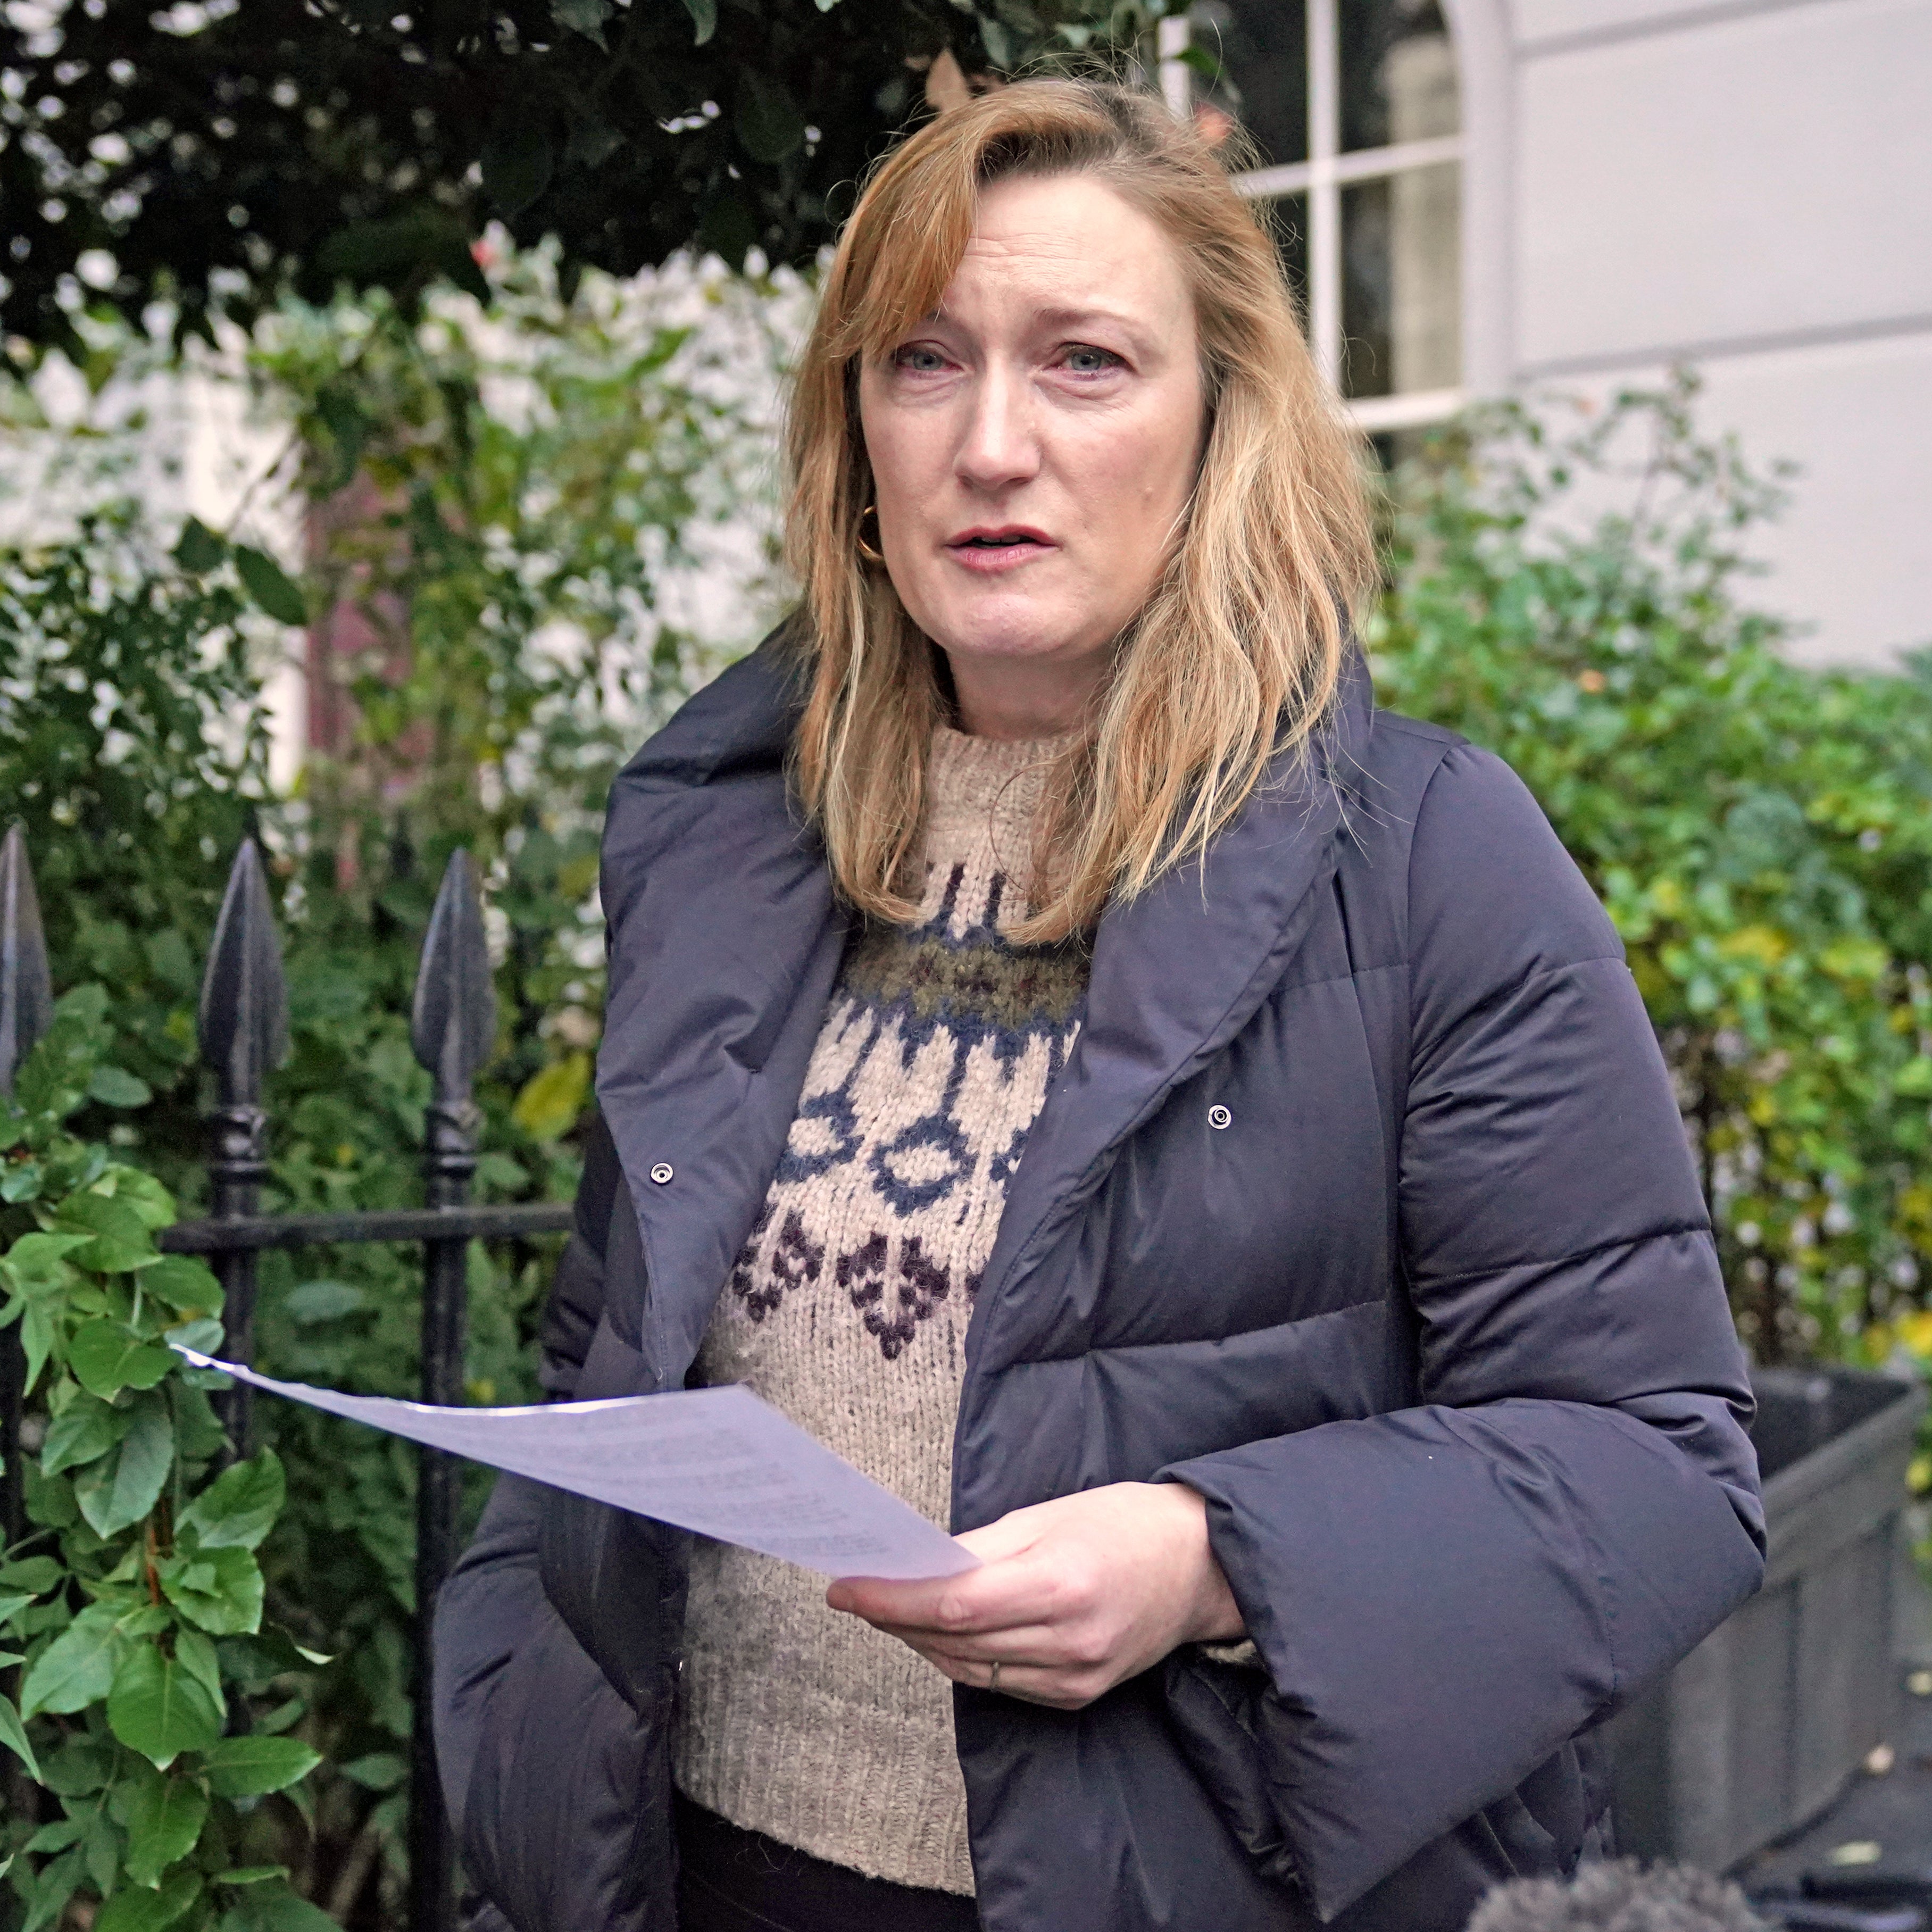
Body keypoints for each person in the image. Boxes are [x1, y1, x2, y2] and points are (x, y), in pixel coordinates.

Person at [432, 78, 1766, 1932]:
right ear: (856, 437)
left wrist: (1220, 1559)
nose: (991, 444)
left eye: (1082, 363)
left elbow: (1661, 1463)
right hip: (699, 1876)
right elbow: (604, 1377)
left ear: (1222, 423)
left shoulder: (1430, 862)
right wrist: (516, 1734)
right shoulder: (726, 842)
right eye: (923, 360)